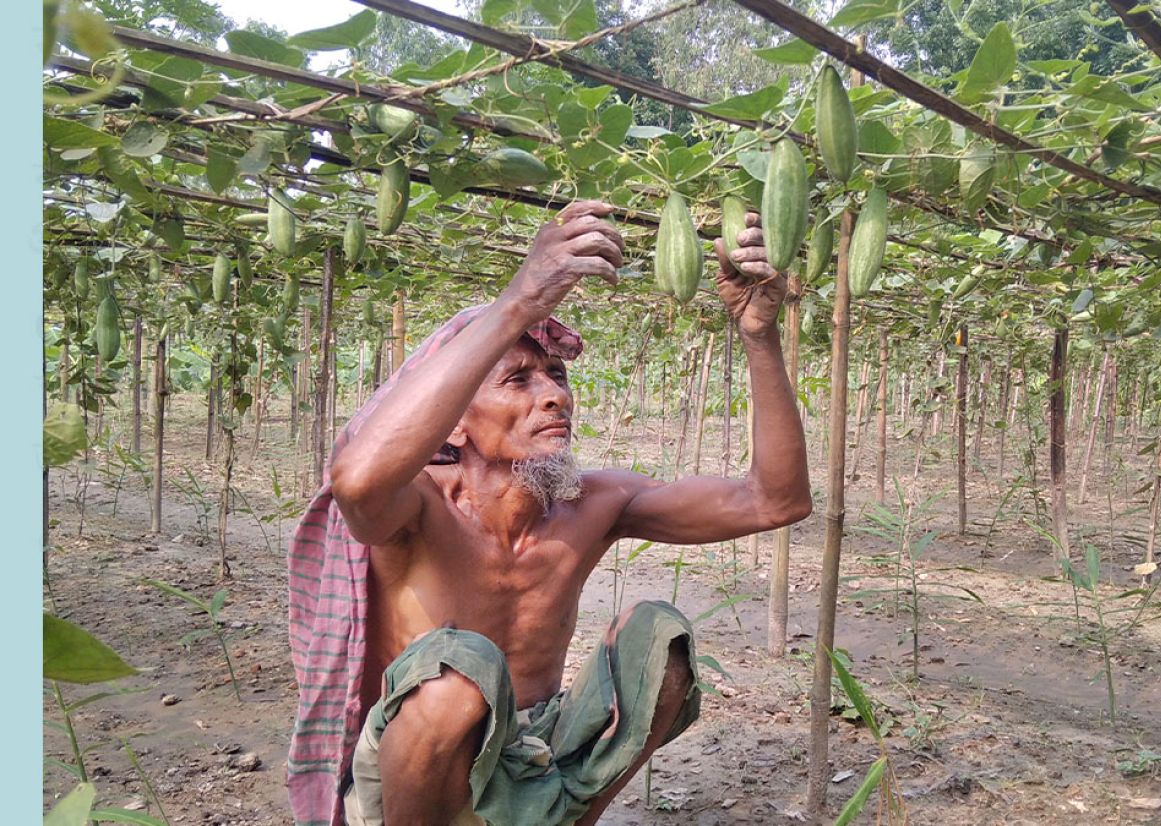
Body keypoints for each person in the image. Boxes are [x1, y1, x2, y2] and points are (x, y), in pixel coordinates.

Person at [286, 200, 812, 826]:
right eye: (518, 380)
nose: (554, 394)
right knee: (458, 670)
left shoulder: (595, 504)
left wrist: (759, 336)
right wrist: (521, 301)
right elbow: (357, 479)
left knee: (657, 638)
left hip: (540, 754)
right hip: (419, 775)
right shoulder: (417, 510)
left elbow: (775, 501)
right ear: (455, 419)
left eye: (557, 374)